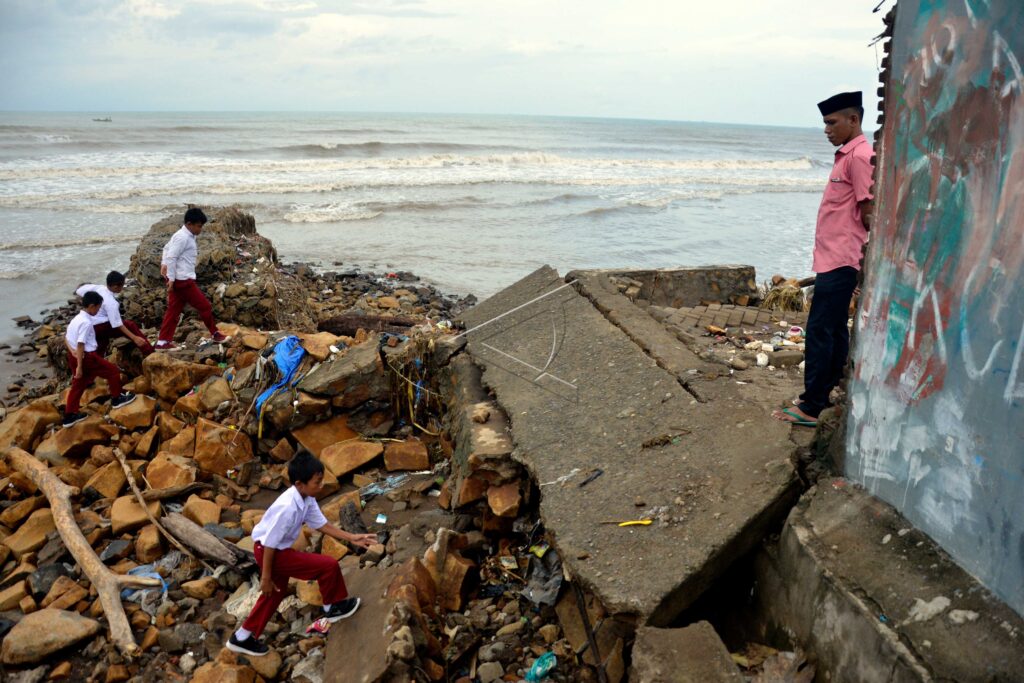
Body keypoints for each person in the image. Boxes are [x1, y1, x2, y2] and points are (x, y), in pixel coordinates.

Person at [776, 91, 873, 427]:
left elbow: (869, 209)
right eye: (825, 123)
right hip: (834, 258)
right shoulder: (846, 155)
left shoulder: (860, 157)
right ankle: (826, 391)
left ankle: (812, 406)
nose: (826, 129)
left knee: (818, 330)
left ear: (853, 120)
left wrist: (864, 260)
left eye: (832, 122)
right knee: (832, 330)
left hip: (843, 259)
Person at [226, 452, 378, 657]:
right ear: (299, 483)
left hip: (274, 550)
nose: (321, 485)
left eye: (321, 480)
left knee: (274, 594)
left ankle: (242, 637)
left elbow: (321, 524)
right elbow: (270, 543)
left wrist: (352, 537)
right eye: (317, 482)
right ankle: (332, 607)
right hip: (270, 552)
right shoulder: (287, 507)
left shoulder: (306, 498)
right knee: (327, 566)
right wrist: (266, 577)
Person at [156, 207, 227, 350]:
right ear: (189, 224)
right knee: (205, 306)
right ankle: (215, 334)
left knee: (173, 311)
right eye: (199, 226)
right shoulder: (182, 237)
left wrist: (164, 264)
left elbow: (166, 248)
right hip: (183, 281)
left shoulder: (185, 235)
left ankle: (162, 342)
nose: (200, 229)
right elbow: (172, 256)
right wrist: (170, 278)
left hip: (179, 280)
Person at [63, 291, 136, 427]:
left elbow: (66, 338)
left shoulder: (76, 319)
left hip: (74, 355)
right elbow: (80, 343)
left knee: (78, 385)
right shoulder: (86, 323)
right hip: (87, 357)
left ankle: (69, 415)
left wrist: (71, 351)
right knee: (113, 371)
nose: (98, 310)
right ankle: (117, 398)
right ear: (91, 306)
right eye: (98, 307)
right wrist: (79, 366)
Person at [75, 271, 154, 357]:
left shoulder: (98, 288)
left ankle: (96, 359)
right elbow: (117, 325)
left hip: (89, 323)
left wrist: (83, 302)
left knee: (102, 342)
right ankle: (149, 351)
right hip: (100, 327)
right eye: (122, 285)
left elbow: (79, 290)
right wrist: (134, 338)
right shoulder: (111, 302)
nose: (123, 287)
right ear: (116, 286)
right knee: (130, 325)